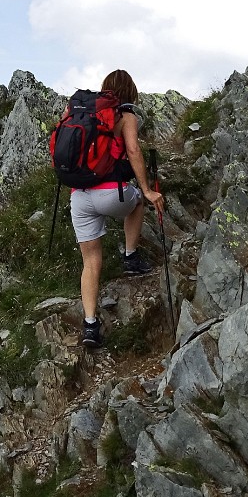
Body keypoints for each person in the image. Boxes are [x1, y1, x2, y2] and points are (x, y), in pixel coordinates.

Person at [68, 69, 165, 348]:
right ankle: (130, 257)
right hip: (112, 191)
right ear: (130, 91)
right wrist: (146, 190)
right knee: (136, 202)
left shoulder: (87, 115)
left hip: (79, 196)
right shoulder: (126, 116)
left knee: (91, 261)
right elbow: (133, 151)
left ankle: (89, 325)